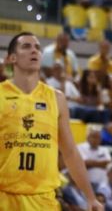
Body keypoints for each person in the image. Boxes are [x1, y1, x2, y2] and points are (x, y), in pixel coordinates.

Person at [0, 32, 103, 210]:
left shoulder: (56, 98)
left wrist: (90, 197)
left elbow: (70, 152)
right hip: (4, 196)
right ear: (12, 58)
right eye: (26, 46)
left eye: (37, 48)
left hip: (43, 200)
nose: (34, 51)